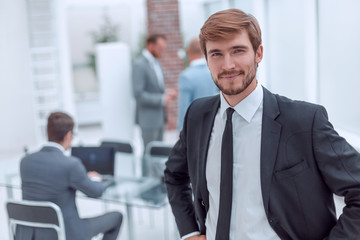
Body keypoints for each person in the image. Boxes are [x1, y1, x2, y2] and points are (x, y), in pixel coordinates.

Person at [164, 9, 360, 240]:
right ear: (206, 59)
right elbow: (174, 175)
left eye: (238, 50)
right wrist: (190, 231)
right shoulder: (197, 114)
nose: (227, 65)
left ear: (259, 53)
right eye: (216, 54)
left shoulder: (304, 121)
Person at [19, 112, 122, 240]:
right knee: (117, 217)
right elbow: (95, 192)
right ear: (68, 135)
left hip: (33, 233)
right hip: (66, 232)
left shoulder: (26, 161)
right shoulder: (71, 164)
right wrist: (96, 180)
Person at [132, 33, 177, 176]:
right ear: (150, 45)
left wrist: (166, 92)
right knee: (148, 155)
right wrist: (161, 99)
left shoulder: (156, 63)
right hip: (148, 119)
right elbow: (138, 94)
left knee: (158, 154)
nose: (162, 52)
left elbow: (156, 88)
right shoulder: (139, 64)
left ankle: (157, 185)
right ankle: (146, 189)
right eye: (160, 48)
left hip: (159, 117)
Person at [177, 38, 218, 131]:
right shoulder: (213, 72)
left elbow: (184, 108)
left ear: (188, 51)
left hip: (194, 127)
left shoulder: (186, 76)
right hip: (213, 124)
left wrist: (181, 131)